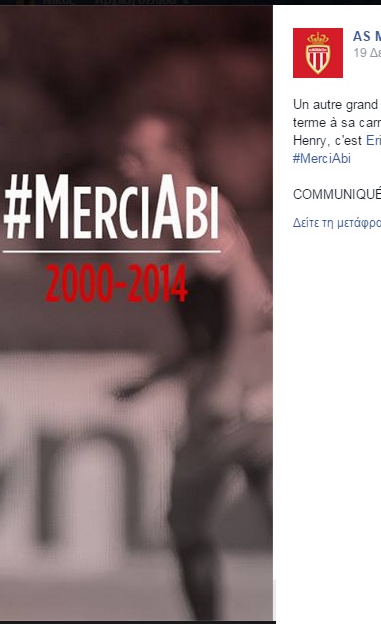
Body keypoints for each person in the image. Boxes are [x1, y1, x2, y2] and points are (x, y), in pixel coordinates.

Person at [113, 114, 273, 621]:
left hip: (238, 392)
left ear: (176, 156)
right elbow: (213, 321)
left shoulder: (191, 205)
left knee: (185, 522)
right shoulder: (183, 211)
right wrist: (151, 378)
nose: (127, 165)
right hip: (246, 386)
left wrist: (230, 380)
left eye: (140, 155)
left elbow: (250, 295)